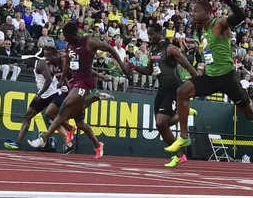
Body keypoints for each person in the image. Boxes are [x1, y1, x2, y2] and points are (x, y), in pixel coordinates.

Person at [164, 0, 253, 154]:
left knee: (251, 114)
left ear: (207, 13)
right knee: (182, 92)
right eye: (191, 11)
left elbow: (240, 17)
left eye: (196, 11)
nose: (192, 14)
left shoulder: (218, 23)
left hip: (228, 79)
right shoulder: (203, 30)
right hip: (211, 77)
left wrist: (227, 1)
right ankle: (184, 136)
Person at [28, 22, 130, 158]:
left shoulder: (90, 42)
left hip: (85, 83)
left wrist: (122, 66)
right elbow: (68, 66)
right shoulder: (69, 46)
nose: (64, 39)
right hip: (74, 85)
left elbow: (110, 49)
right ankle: (96, 142)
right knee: (78, 121)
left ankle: (44, 138)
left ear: (74, 34)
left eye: (66, 36)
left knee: (64, 109)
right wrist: (61, 80)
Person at [129, 23, 199, 167]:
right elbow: (149, 70)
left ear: (160, 33)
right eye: (148, 35)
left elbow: (187, 65)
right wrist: (135, 67)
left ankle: (183, 113)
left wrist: (198, 84)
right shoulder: (153, 49)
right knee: (160, 126)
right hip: (161, 90)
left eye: (152, 35)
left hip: (174, 88)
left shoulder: (170, 48)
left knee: (162, 122)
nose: (149, 37)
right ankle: (179, 156)